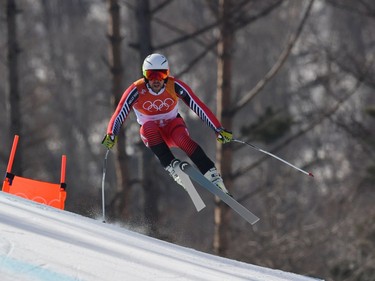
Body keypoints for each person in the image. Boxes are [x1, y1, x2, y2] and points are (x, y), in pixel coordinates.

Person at [102, 53, 233, 194]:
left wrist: (217, 128)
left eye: (162, 75)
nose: (156, 80)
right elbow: (120, 112)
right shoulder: (136, 90)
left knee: (181, 138)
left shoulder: (174, 86)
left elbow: (198, 106)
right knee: (148, 127)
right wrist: (111, 134)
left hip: (173, 128)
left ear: (167, 74)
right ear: (145, 75)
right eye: (151, 75)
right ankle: (172, 166)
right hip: (153, 136)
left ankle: (211, 174)